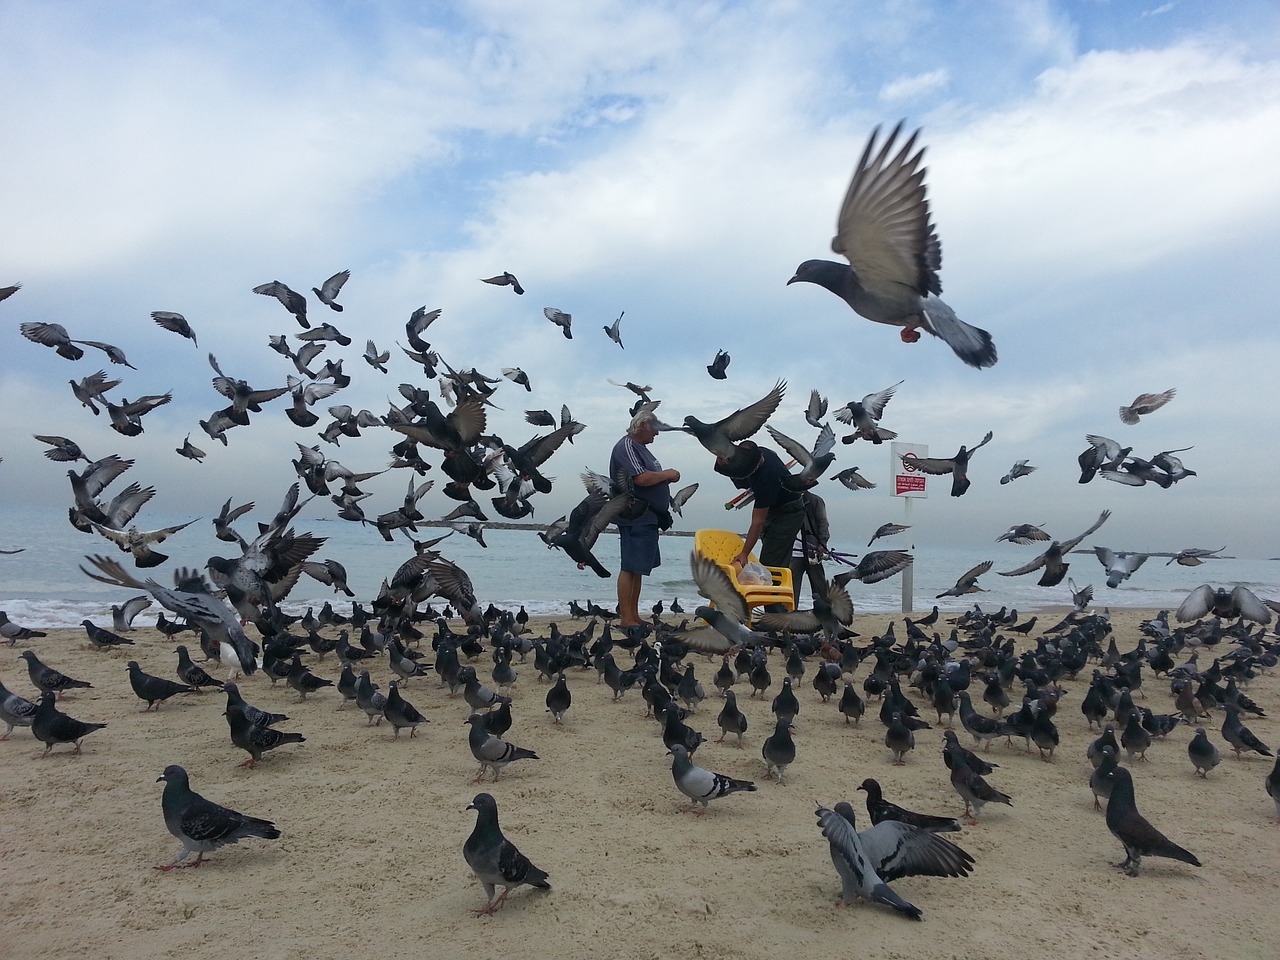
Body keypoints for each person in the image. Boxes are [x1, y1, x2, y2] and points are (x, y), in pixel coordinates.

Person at [610, 409, 680, 635]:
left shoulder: (641, 449)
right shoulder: (627, 446)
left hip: (648, 517)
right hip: (634, 516)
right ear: (642, 427)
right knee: (629, 567)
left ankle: (633, 615)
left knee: (638, 568)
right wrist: (668, 474)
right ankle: (626, 618)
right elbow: (641, 478)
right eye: (655, 429)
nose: (657, 434)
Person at [713, 440, 808, 570]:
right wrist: (722, 457)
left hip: (788, 513)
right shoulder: (760, 452)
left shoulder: (766, 480)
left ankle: (775, 589)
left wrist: (744, 554)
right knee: (771, 549)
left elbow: (757, 522)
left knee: (771, 563)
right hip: (773, 504)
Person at [790, 490, 831, 606]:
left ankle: (825, 617)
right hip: (793, 552)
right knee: (791, 588)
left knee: (819, 587)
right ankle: (790, 616)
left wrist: (822, 543)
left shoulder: (815, 500)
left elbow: (823, 523)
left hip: (813, 551)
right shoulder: (788, 499)